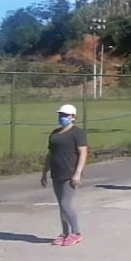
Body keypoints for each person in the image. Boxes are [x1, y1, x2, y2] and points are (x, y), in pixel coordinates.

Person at [42, 104, 88, 246]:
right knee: (61, 206)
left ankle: (76, 233)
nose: (62, 118)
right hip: (57, 173)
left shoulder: (77, 133)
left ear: (73, 117)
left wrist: (78, 173)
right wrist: (44, 172)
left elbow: (83, 153)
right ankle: (65, 233)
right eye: (60, 115)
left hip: (70, 173)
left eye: (65, 115)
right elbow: (50, 154)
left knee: (66, 203)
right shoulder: (55, 133)